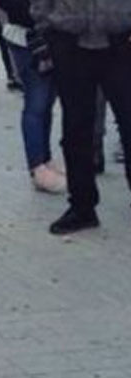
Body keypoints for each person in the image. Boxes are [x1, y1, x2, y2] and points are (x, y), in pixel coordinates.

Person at [32, 0, 131, 235]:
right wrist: (47, 29)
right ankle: (82, 206)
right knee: (76, 128)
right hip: (69, 41)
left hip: (120, 40)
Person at [0, 0, 66, 193]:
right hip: (27, 35)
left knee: (47, 100)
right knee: (37, 100)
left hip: (48, 34)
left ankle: (45, 159)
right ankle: (37, 164)